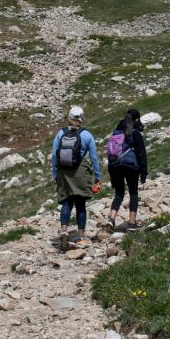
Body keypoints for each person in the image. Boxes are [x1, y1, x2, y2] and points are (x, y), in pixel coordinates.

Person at [51, 105, 101, 249]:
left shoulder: (60, 134)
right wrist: (97, 177)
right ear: (82, 119)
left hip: (63, 172)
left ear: (69, 118)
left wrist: (55, 174)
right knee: (80, 205)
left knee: (66, 202)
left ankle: (64, 231)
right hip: (80, 171)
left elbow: (54, 156)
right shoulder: (87, 135)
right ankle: (80, 236)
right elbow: (94, 158)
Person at [107, 109, 149, 231]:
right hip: (130, 166)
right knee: (133, 193)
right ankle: (132, 223)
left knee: (119, 193)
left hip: (115, 165)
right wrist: (143, 172)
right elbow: (141, 154)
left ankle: (111, 219)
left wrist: (111, 174)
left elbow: (111, 153)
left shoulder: (116, 132)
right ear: (136, 119)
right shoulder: (135, 133)